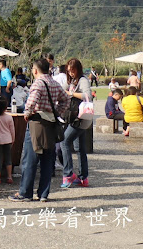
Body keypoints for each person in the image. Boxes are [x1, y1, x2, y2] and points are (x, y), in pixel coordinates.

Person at [9, 58, 70, 202]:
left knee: (30, 159)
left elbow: (31, 101)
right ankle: (43, 194)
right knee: (48, 160)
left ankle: (25, 193)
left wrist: (27, 113)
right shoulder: (54, 83)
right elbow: (66, 100)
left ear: (35, 70)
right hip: (50, 124)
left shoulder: (38, 83)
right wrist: (57, 112)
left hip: (37, 123)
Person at [60, 58, 93, 189]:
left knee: (64, 142)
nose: (71, 73)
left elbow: (88, 96)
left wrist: (71, 93)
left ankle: (68, 175)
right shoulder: (72, 81)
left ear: (78, 69)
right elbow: (63, 90)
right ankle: (83, 178)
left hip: (80, 118)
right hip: (78, 118)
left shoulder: (83, 80)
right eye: (69, 71)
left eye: (73, 71)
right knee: (79, 148)